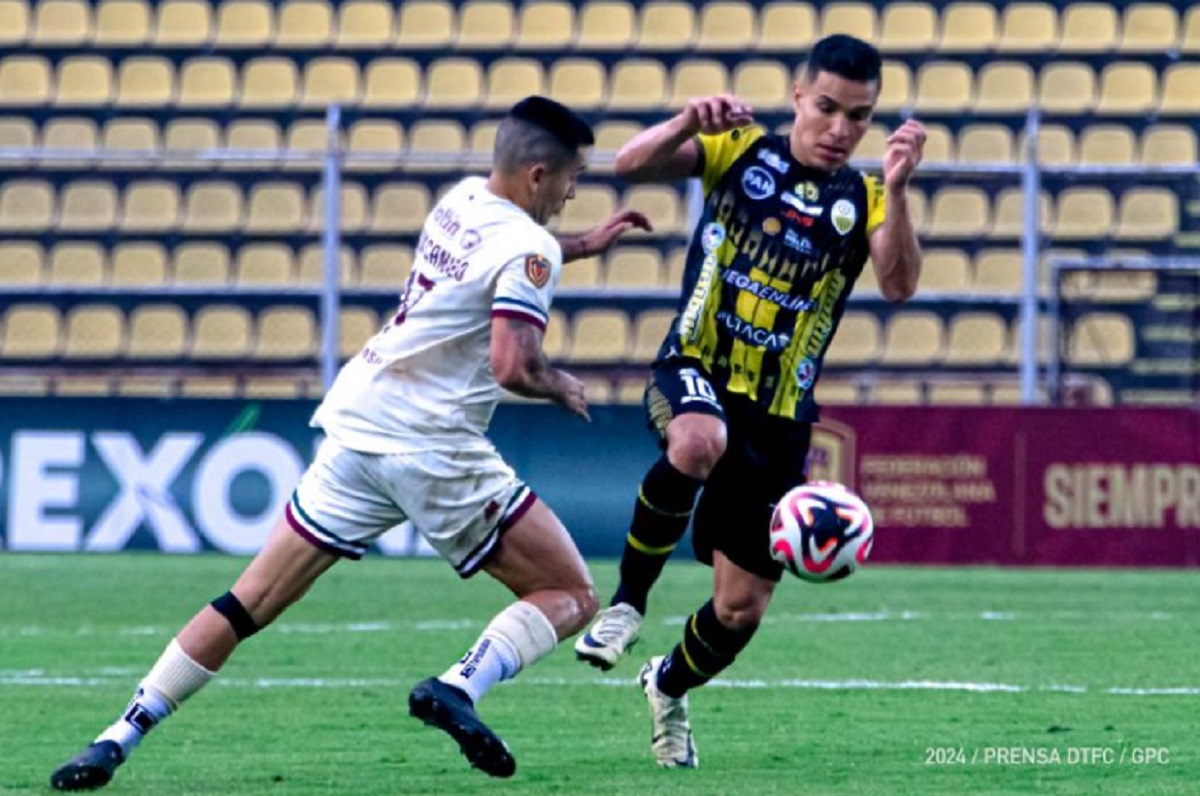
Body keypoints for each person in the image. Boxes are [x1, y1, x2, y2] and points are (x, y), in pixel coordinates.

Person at [50, 95, 652, 791]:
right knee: (570, 591)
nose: (577, 191)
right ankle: (458, 685)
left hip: (357, 423)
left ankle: (116, 736)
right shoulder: (531, 247)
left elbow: (501, 262)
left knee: (247, 602)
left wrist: (582, 247)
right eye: (575, 177)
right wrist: (560, 385)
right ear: (539, 176)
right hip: (431, 444)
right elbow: (514, 361)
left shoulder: (461, 200)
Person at [573, 34, 926, 768]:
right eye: (827, 108)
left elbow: (898, 285)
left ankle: (666, 685)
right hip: (695, 367)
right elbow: (627, 164)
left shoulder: (862, 198)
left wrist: (897, 186)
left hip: (779, 418)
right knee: (698, 441)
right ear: (799, 96)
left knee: (740, 610)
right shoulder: (738, 150)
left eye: (858, 117)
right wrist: (682, 123)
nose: (840, 129)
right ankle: (627, 604)